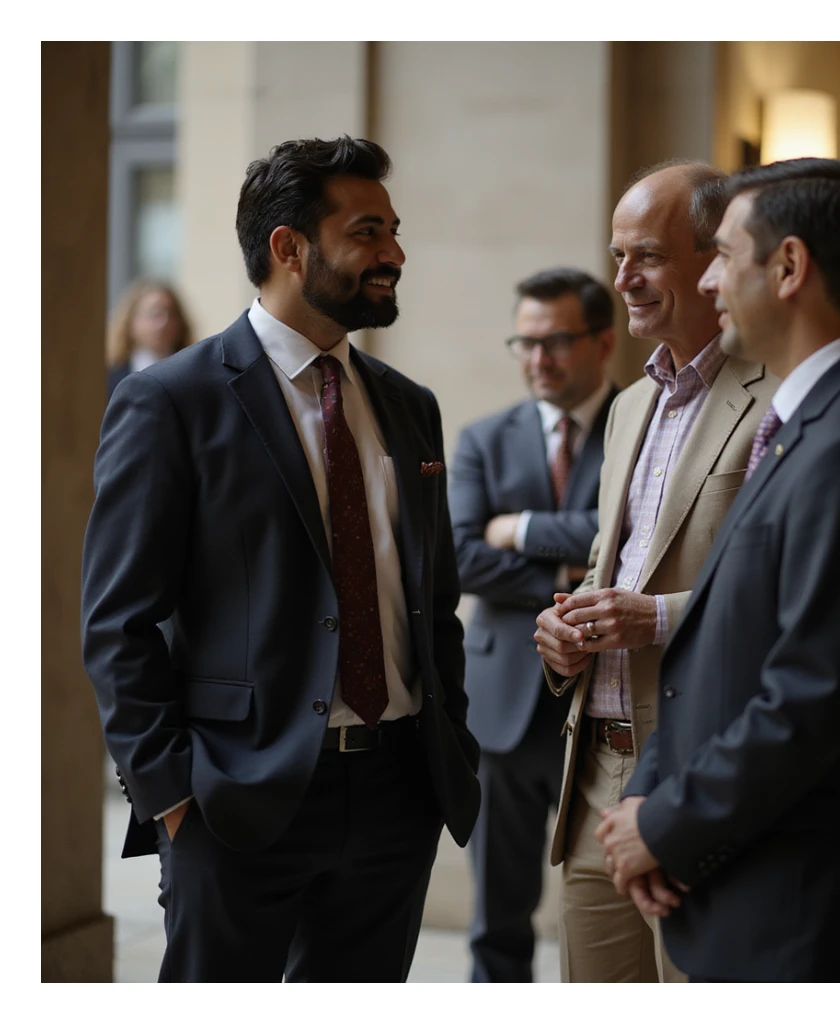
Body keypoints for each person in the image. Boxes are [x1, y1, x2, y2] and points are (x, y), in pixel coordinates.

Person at [81, 136, 481, 982]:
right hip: (237, 803)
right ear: (288, 249)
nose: (395, 255)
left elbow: (432, 599)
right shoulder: (170, 401)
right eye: (368, 232)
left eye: (394, 232)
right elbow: (118, 622)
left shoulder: (411, 408)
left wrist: (449, 749)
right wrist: (173, 796)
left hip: (397, 797)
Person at [597, 158, 840, 983]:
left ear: (789, 267)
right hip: (748, 871)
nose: (710, 279)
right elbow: (728, 640)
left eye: (723, 254)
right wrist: (646, 800)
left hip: (801, 896)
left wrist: (668, 824)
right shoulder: (812, 418)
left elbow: (814, 694)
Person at [533, 162, 776, 983]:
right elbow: (617, 565)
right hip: (592, 773)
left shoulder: (779, 393)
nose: (621, 280)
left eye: (645, 257)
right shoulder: (630, 404)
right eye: (616, 255)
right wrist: (565, 635)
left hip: (698, 767)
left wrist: (655, 618)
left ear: (713, 262)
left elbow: (784, 593)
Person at [449, 268, 617, 982]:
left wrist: (519, 529)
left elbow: (629, 530)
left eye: (555, 342)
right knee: (499, 913)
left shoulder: (641, 425)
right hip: (503, 706)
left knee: (608, 907)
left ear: (603, 342)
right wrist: (568, 573)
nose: (537, 359)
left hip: (609, 700)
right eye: (525, 342)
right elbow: (458, 555)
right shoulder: (484, 438)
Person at [105, 280, 193, 397]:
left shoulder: (192, 373)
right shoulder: (109, 377)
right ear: (131, 321)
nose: (163, 322)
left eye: (170, 314)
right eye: (155, 314)